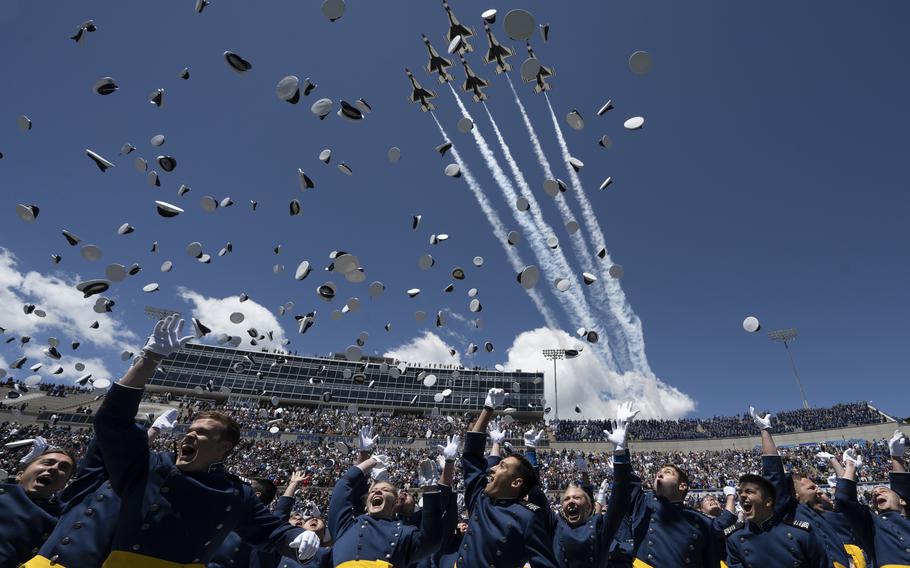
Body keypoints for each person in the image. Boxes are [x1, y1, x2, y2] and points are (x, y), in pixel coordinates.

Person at [24, 315, 318, 567]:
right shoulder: (147, 467)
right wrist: (148, 359)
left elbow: (270, 532)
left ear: (224, 447)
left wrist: (298, 538)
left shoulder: (236, 493)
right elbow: (112, 423)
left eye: (202, 432)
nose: (190, 434)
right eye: (190, 429)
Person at [442, 387, 559, 568]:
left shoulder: (526, 517)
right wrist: (488, 408)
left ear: (516, 482)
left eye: (502, 465)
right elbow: (472, 456)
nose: (493, 468)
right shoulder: (480, 497)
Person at [750, 406, 869, 567]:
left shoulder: (829, 515)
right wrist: (765, 431)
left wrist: (846, 465)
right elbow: (773, 474)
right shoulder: (792, 513)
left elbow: (845, 495)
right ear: (796, 496)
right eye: (811, 488)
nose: (818, 490)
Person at [526, 402, 637, 568]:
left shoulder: (601, 526)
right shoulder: (555, 525)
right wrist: (530, 452)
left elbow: (620, 498)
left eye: (576, 497)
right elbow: (534, 493)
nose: (570, 501)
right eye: (566, 499)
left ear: (588, 505)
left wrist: (620, 453)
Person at [723, 407, 831, 568]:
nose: (742, 496)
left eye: (749, 491)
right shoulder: (735, 538)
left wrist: (765, 431)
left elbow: (773, 473)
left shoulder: (800, 533)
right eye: (740, 492)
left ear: (768, 502)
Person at [328, 426, 450, 567]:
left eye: (385, 490)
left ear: (394, 503)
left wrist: (430, 490)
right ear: (366, 502)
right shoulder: (345, 526)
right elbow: (343, 485)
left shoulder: (405, 532)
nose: (377, 492)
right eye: (373, 491)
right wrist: (369, 460)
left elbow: (432, 541)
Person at [834, 429, 910, 567]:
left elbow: (903, 489)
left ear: (902, 501)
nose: (876, 494)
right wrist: (850, 467)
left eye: (883, 490)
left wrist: (896, 457)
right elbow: (844, 500)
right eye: (874, 495)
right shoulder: (872, 525)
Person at [0, 437, 75, 566]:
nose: (54, 468)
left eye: (63, 468)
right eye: (47, 463)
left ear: (64, 485)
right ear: (20, 474)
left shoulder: (61, 521)